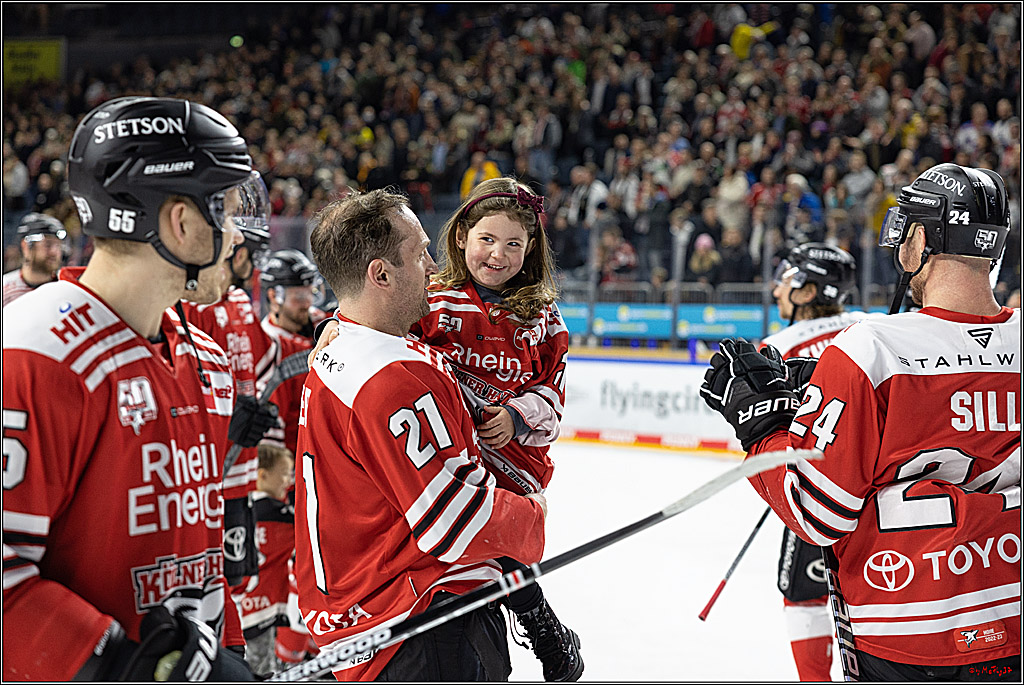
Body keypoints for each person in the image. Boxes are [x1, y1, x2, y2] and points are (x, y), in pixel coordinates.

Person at [702, 163, 1020, 681]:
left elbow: (817, 513)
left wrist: (760, 432)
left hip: (905, 632)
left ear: (917, 239)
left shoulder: (869, 351)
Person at [2, 96, 267, 680]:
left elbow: (194, 545)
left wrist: (227, 652)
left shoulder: (206, 357)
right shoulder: (31, 352)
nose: (235, 235)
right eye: (223, 208)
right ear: (179, 220)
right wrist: (115, 663)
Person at [296, 188, 547, 681]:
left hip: (375, 623)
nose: (434, 266)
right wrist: (532, 516)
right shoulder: (393, 378)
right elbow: (456, 522)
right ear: (381, 274)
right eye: (419, 254)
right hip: (421, 625)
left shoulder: (348, 340)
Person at [409, 177, 582, 681]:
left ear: (530, 251)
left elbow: (553, 392)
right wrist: (334, 325)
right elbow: (378, 338)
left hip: (511, 456)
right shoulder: (430, 300)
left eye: (513, 244)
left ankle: (535, 616)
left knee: (499, 527)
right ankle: (537, 615)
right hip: (438, 445)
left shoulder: (542, 317)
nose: (498, 254)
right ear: (461, 235)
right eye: (487, 238)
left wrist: (517, 415)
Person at [761, 242, 868, 681]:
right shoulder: (873, 327)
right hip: (886, 492)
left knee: (802, 594)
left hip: (820, 492)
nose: (776, 287)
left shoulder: (778, 347)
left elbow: (772, 433)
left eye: (786, 276)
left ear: (806, 290)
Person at [180, 178, 280, 586]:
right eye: (249, 252)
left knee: (235, 583)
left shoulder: (238, 300)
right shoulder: (192, 304)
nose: (253, 263)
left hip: (241, 467)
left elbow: (261, 366)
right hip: (210, 474)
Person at [233, 443, 296, 676]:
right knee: (261, 671)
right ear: (263, 474)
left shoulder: (242, 509)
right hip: (261, 608)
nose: (289, 481)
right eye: (285, 473)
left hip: (245, 607)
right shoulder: (280, 516)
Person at [2, 212, 68, 306]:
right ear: (26, 247)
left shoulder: (66, 288)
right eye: (48, 244)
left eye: (58, 245)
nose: (54, 252)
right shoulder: (5, 291)